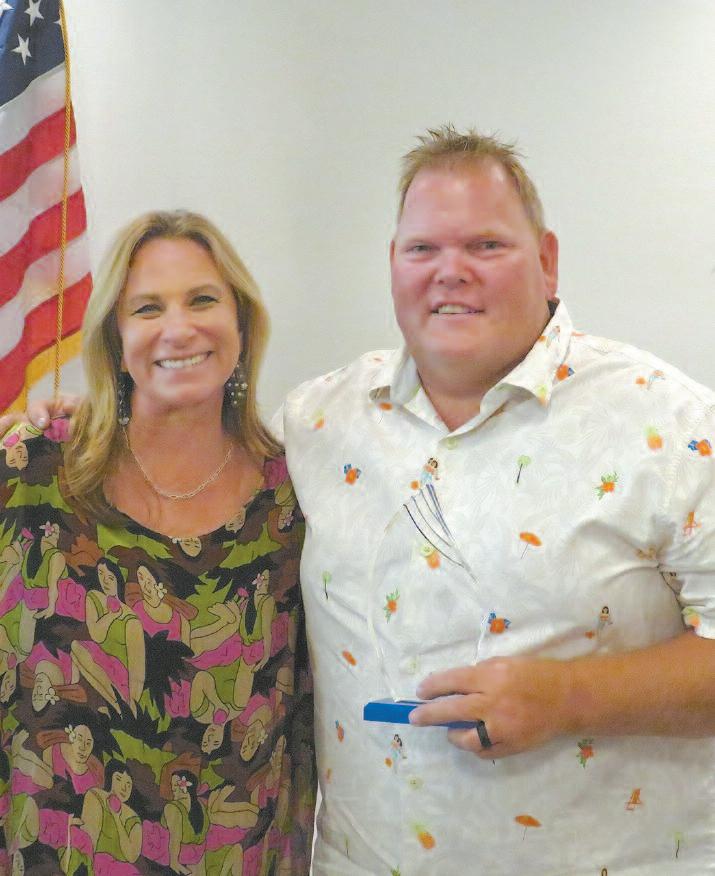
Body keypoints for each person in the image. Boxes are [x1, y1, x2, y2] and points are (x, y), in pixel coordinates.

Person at [7, 126, 715, 874]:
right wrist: (75, 427)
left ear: (546, 259)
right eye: (423, 249)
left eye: (485, 246)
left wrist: (569, 696)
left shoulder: (668, 423)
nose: (451, 272)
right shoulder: (319, 425)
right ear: (393, 264)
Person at [0, 211, 315, 874]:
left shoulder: (295, 500)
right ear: (115, 339)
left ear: (241, 324)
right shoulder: (35, 473)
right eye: (147, 308)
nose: (178, 328)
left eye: (202, 299)